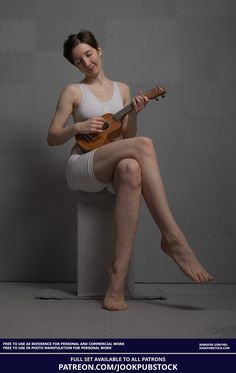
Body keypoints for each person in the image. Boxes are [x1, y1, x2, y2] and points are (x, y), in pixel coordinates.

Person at [47, 30, 213, 311]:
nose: (86, 63)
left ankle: (115, 283)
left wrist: (134, 112)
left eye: (88, 54)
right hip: (83, 165)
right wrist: (79, 127)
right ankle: (173, 238)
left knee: (131, 167)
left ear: (99, 50)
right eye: (78, 61)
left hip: (112, 163)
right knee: (144, 145)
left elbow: (127, 138)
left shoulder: (122, 89)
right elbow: (52, 138)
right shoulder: (74, 91)